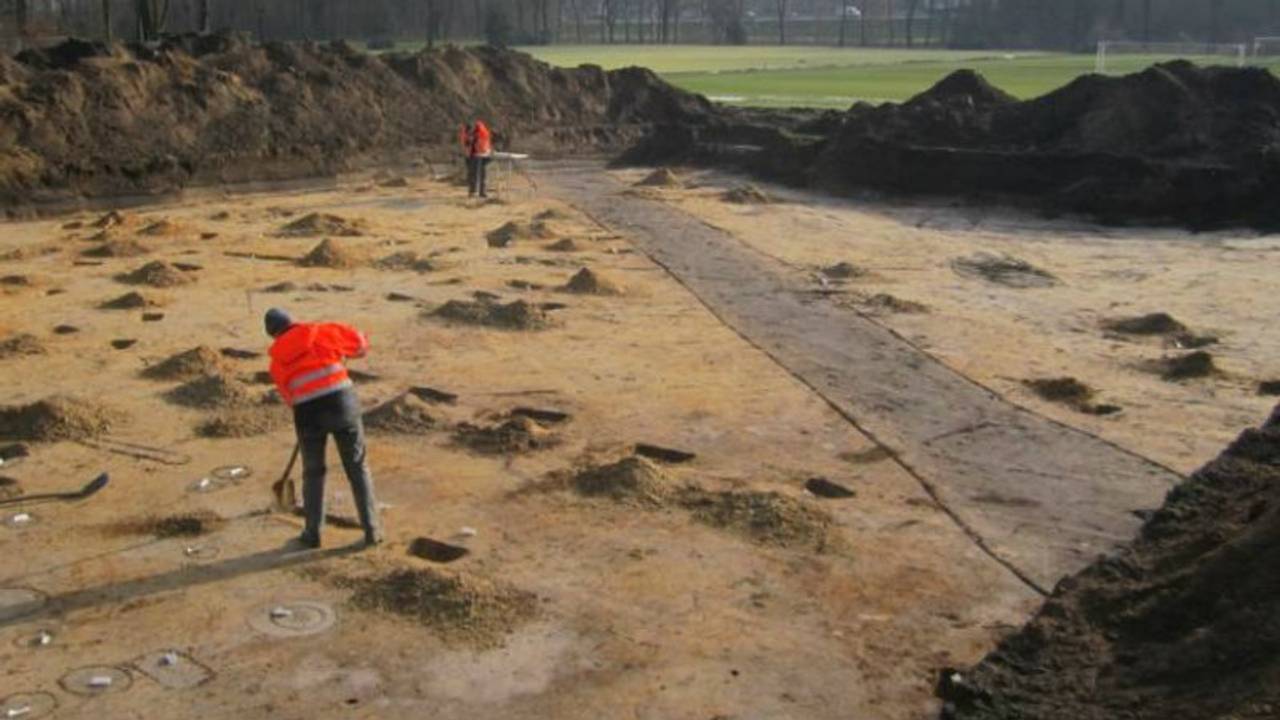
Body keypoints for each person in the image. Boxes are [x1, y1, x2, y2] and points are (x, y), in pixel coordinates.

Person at [265, 308, 382, 549]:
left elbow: (290, 398)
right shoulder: (322, 332)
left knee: (313, 472)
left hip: (308, 415)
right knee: (357, 467)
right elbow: (361, 345)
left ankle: (312, 534)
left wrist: (307, 414)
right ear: (294, 321)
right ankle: (373, 531)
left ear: (274, 335)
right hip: (343, 404)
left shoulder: (276, 362)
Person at [459, 119, 493, 198]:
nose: (470, 132)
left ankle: (482, 192)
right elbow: (465, 143)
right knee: (472, 174)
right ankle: (472, 192)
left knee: (483, 175)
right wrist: (468, 141)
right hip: (471, 155)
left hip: (482, 155)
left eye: (471, 130)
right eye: (469, 131)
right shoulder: (466, 132)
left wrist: (475, 139)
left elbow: (484, 142)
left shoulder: (481, 132)